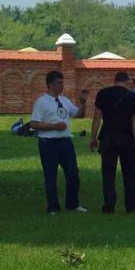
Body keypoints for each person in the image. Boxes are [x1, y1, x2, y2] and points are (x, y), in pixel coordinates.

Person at [29, 71, 88, 214]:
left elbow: (78, 115)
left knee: (73, 173)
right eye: (59, 83)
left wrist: (83, 103)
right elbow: (34, 124)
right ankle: (53, 206)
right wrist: (54, 126)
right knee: (51, 175)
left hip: (66, 142)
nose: (62, 86)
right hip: (49, 143)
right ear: (50, 84)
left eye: (63, 83)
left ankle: (73, 204)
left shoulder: (64, 100)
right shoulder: (41, 102)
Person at [90, 70, 135, 213]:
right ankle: (131, 205)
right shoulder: (133, 97)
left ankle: (109, 205)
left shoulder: (102, 94)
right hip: (126, 138)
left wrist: (93, 138)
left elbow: (97, 117)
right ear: (127, 82)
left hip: (108, 137)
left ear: (114, 80)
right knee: (130, 173)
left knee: (108, 174)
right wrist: (132, 135)